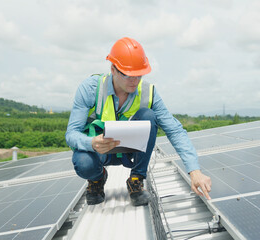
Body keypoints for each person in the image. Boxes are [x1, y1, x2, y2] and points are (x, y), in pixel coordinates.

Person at [66, 37, 212, 206]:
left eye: (139, 75)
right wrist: (91, 142)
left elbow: (174, 130)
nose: (134, 81)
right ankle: (97, 179)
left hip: (130, 152)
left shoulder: (148, 92)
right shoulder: (91, 89)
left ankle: (136, 179)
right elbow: (71, 134)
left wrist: (194, 170)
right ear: (113, 69)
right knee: (83, 163)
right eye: (128, 76)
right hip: (100, 150)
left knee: (149, 116)